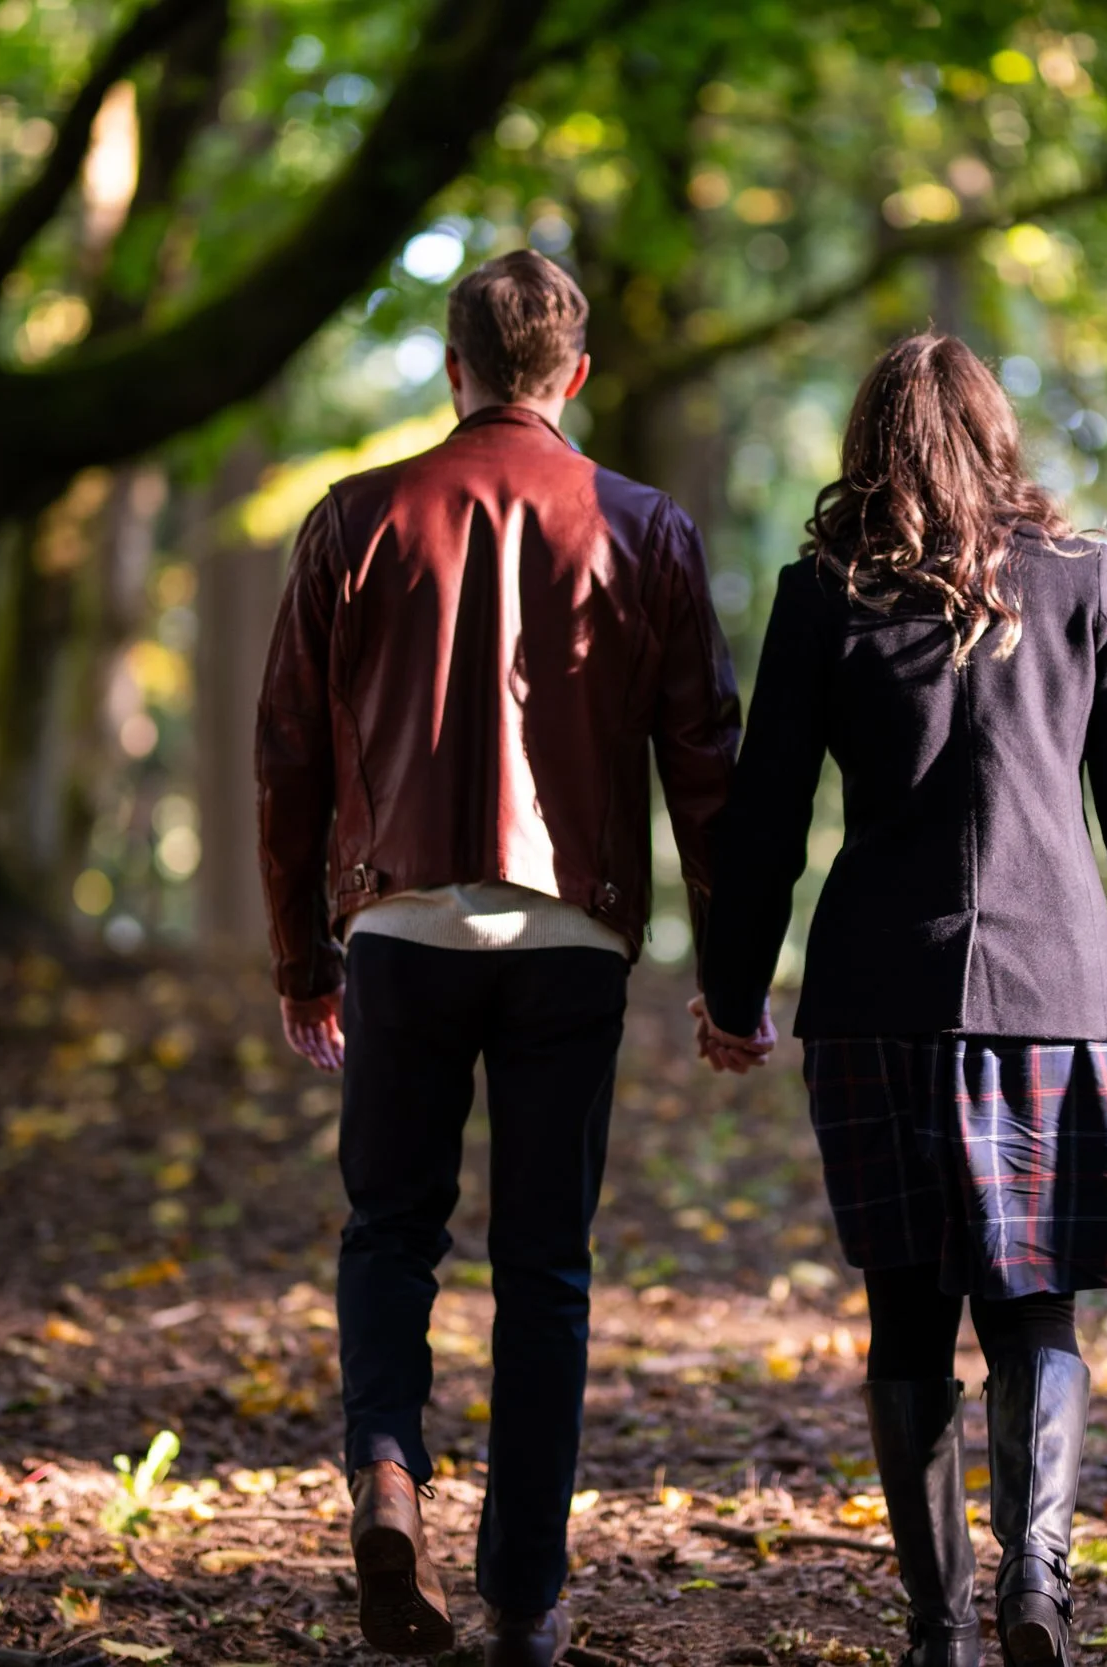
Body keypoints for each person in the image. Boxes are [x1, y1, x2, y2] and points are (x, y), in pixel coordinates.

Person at [255, 250, 747, 1667]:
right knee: (546, 1263)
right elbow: (705, 764)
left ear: (452, 366)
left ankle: (389, 1476)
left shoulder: (354, 517)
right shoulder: (645, 526)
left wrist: (303, 953)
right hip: (570, 937)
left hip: (399, 926)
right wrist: (729, 969)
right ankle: (525, 1596)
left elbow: (286, 753)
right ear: (573, 378)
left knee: (388, 1229)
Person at [694, 335, 1107, 1667]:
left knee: (907, 1311)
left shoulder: (822, 593)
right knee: (1038, 1307)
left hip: (876, 997)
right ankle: (1038, 1581)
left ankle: (939, 1630)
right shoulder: (1083, 580)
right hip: (1058, 994)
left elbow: (771, 814)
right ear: (995, 435)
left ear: (869, 445)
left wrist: (733, 986)